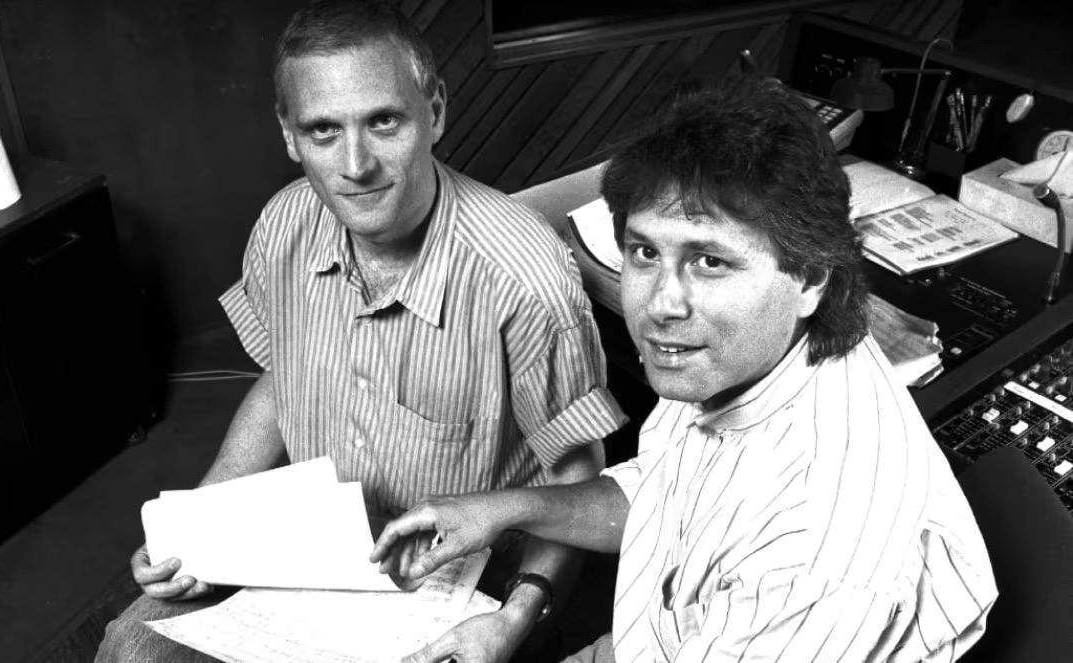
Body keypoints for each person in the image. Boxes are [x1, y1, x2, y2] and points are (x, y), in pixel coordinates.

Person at [371, 78, 999, 663]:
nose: (661, 305)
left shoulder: (814, 555)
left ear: (809, 278)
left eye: (710, 262)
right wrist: (504, 510)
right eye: (646, 252)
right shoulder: (744, 351)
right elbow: (673, 489)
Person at [95, 1, 627, 662]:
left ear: (433, 113)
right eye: (323, 130)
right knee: (133, 645)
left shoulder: (526, 277)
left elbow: (575, 469)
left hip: (461, 571)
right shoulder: (282, 227)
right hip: (310, 542)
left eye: (383, 121)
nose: (355, 164)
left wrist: (520, 613)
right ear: (289, 135)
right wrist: (204, 521)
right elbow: (278, 381)